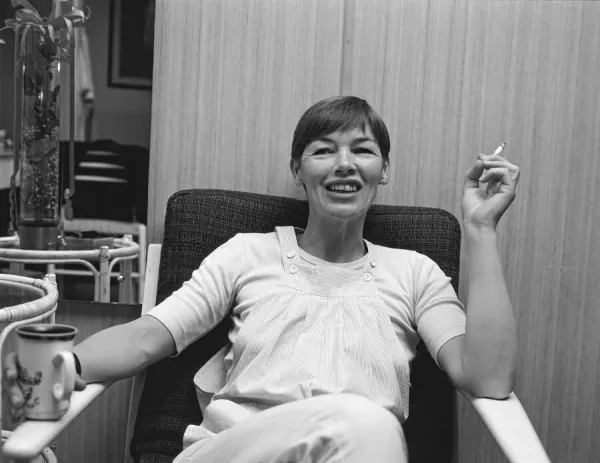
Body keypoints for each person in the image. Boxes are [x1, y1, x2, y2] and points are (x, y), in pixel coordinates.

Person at [4, 96, 520, 462]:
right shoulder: (247, 253)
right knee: (366, 421)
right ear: (298, 169)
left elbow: (488, 379)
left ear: (383, 168)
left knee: (368, 428)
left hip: (361, 452)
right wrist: (63, 365)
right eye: (323, 150)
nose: (344, 164)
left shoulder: (416, 272)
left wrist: (480, 227)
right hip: (235, 451)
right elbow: (146, 338)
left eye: (362, 150)